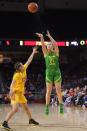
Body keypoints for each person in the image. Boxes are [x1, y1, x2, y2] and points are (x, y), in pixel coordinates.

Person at [0, 47, 39, 130]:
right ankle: (4, 123)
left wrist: (33, 52)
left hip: (21, 93)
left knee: (26, 108)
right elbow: (12, 84)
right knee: (15, 109)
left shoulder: (24, 69)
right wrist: (11, 91)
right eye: (21, 65)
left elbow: (29, 60)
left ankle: (31, 120)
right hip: (15, 93)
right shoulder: (16, 75)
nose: (23, 65)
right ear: (19, 68)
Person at [36, 31, 64, 115]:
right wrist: (42, 38)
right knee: (48, 91)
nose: (48, 45)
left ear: (52, 46)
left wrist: (50, 36)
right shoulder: (45, 54)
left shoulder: (56, 52)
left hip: (57, 73)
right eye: (47, 45)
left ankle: (61, 107)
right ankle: (47, 108)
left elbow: (56, 44)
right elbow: (42, 46)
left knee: (58, 90)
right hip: (49, 74)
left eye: (49, 44)